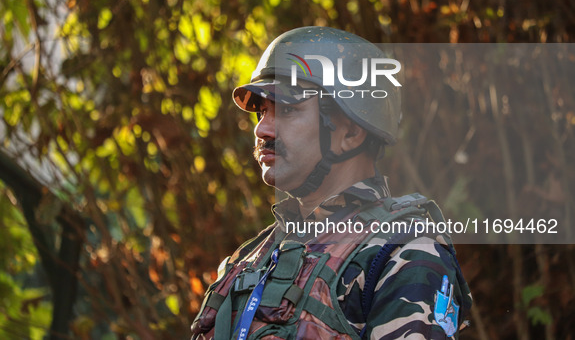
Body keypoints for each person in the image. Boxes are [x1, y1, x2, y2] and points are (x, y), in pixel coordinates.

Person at [191, 26, 472, 339]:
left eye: (287, 109)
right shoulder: (252, 256)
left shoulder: (401, 253)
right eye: (262, 112)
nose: (262, 130)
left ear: (351, 133)